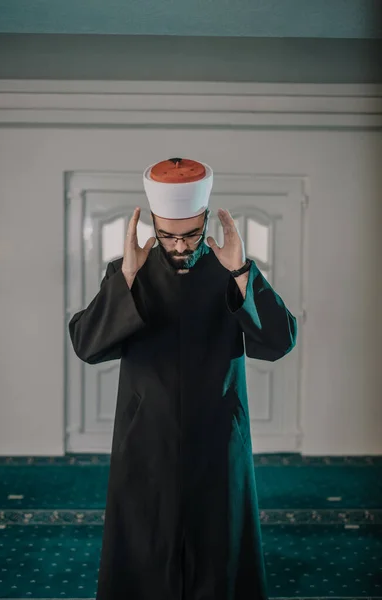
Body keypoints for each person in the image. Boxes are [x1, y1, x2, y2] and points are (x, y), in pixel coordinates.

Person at [68, 157, 298, 600]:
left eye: (190, 234)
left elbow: (279, 340)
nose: (178, 245)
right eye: (168, 234)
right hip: (146, 436)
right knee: (145, 542)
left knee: (218, 546)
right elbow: (87, 345)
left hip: (218, 433)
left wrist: (241, 271)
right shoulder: (126, 272)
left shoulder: (229, 269)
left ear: (206, 221)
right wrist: (130, 277)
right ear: (152, 224)